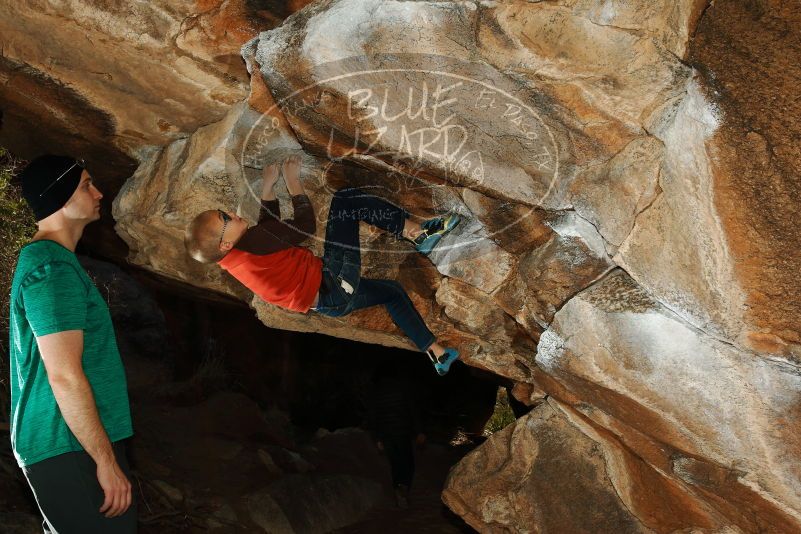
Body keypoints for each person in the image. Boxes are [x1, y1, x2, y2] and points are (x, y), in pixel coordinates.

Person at [184, 155, 461, 374]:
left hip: (332, 304)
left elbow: (270, 231)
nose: (231, 213)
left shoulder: (237, 260)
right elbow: (304, 226)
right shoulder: (252, 243)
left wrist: (268, 186)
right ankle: (418, 233)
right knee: (346, 201)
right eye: (225, 218)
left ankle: (436, 352)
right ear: (224, 245)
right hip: (334, 280)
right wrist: (293, 182)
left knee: (393, 293)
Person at [9, 155, 136, 533]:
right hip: (67, 443)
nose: (98, 192)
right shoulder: (51, 269)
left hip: (69, 442)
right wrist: (104, 460)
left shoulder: (55, 263)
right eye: (85, 185)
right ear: (58, 199)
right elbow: (63, 375)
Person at [366, 362, 426, 509]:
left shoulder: (377, 392)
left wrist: (378, 438)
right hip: (402, 432)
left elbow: (373, 417)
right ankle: (403, 487)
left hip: (386, 434)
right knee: (407, 462)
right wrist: (419, 431)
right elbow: (413, 410)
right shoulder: (402, 388)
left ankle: (398, 488)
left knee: (395, 463)